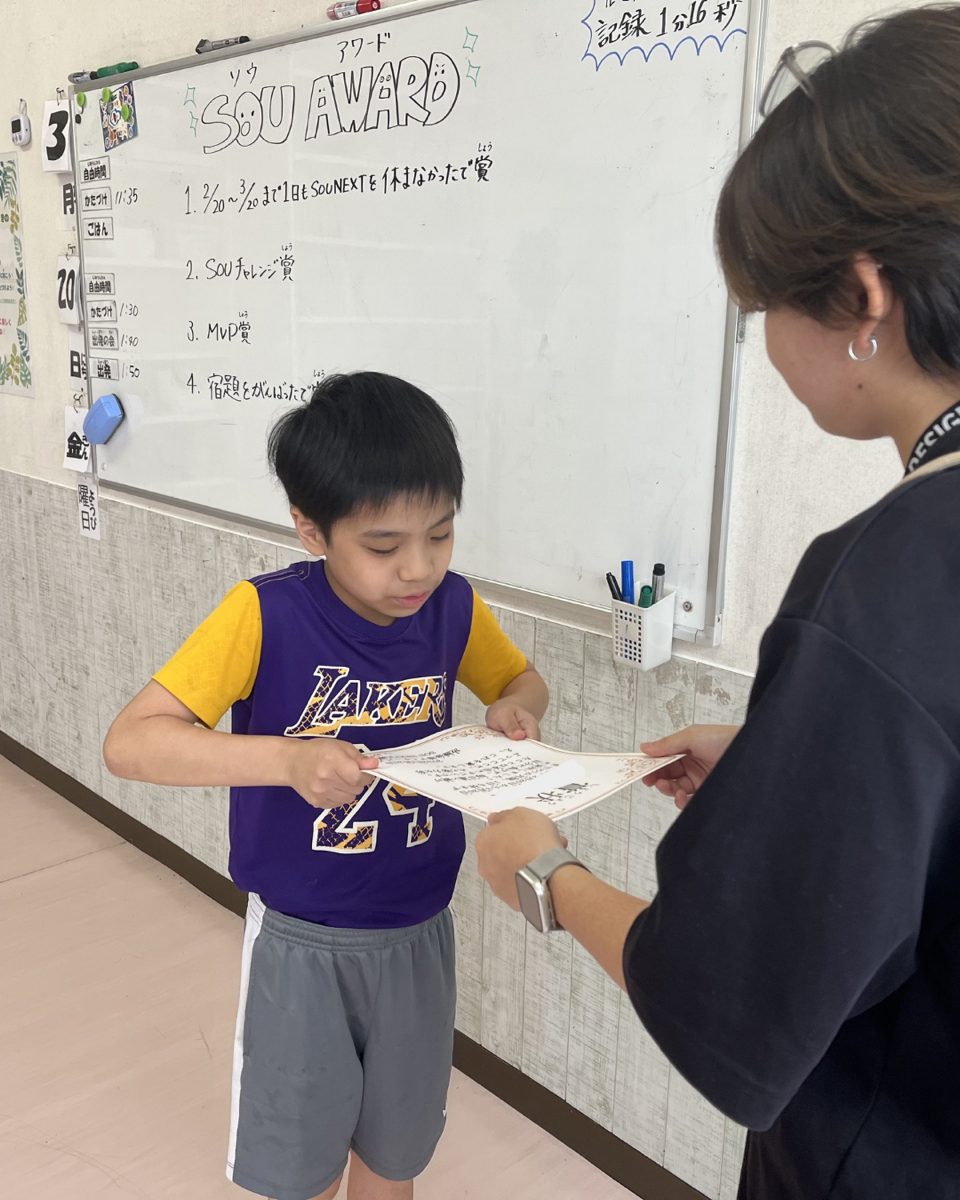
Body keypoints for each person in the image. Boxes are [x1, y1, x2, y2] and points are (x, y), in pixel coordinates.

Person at [476, 8, 960, 1198]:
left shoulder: (894, 575)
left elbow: (729, 1003)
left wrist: (544, 875)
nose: (765, 347)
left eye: (761, 312)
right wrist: (796, 762)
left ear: (862, 296)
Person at [104, 371, 548, 1200]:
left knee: (394, 1157)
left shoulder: (452, 607)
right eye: (383, 546)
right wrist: (285, 760)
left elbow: (522, 682)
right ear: (311, 528)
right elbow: (131, 744)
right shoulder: (263, 614)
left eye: (441, 534)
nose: (418, 568)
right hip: (300, 943)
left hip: (420, 932)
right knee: (299, 1171)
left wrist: (516, 712)